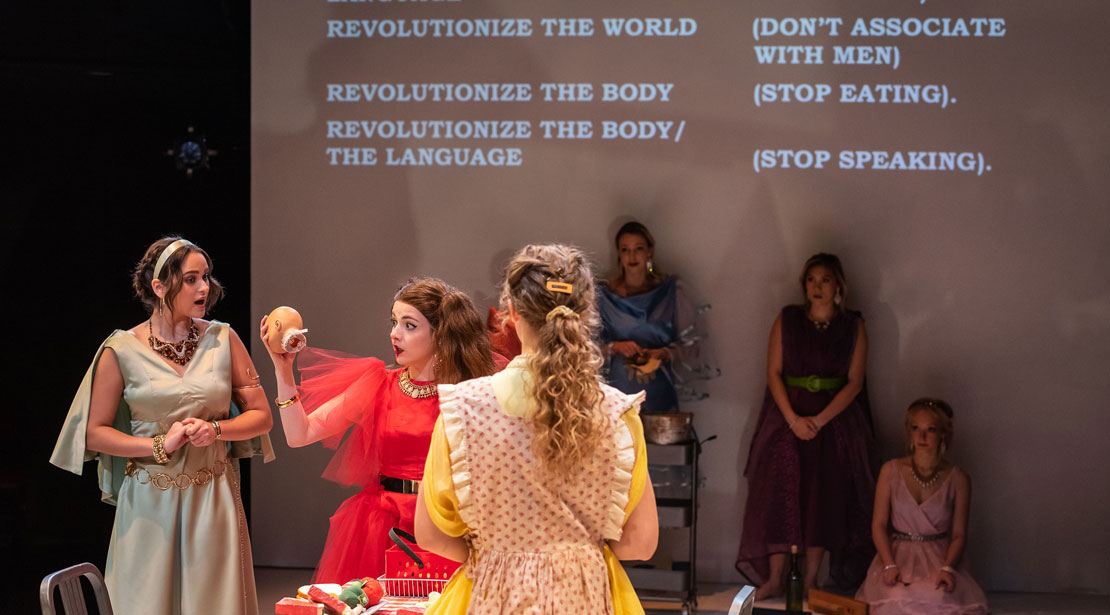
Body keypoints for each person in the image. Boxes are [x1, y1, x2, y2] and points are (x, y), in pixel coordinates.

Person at [415, 244, 659, 615]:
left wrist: (496, 554)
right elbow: (640, 544)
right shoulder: (616, 413)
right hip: (586, 597)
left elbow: (431, 535)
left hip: (491, 595)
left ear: (511, 312)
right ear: (585, 312)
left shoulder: (462, 409)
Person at [50, 237, 274, 615]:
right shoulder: (121, 349)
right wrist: (158, 445)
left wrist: (216, 430)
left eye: (205, 277)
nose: (204, 287)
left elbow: (261, 416)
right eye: (190, 279)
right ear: (159, 287)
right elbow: (95, 432)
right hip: (149, 501)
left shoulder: (223, 338)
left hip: (212, 496)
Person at [261, 278, 500, 583]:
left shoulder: (466, 392)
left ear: (441, 334)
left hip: (445, 521)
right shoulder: (378, 382)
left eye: (409, 325)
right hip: (382, 526)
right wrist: (283, 370)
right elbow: (300, 434)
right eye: (394, 322)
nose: (394, 334)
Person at [736, 253, 877, 597]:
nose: (817, 287)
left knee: (823, 497)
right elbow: (773, 373)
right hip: (787, 417)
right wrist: (794, 420)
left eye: (825, 280)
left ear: (838, 285)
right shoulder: (787, 319)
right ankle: (775, 577)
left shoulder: (854, 327)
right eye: (812, 280)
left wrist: (819, 421)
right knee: (778, 493)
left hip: (834, 423)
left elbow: (855, 382)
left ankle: (811, 579)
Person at [855, 399, 988, 614]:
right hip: (898, 554)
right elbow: (878, 524)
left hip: (938, 556)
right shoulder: (891, 470)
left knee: (940, 597)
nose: (922, 436)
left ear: (943, 434)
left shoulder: (958, 478)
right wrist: (889, 564)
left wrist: (948, 568)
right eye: (916, 428)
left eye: (931, 430)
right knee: (897, 597)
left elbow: (959, 534)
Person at [598, 221, 709, 414]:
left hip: (658, 393)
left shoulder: (670, 291)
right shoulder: (605, 296)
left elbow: (693, 346)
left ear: (649, 251)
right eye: (625, 250)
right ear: (618, 254)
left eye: (638, 249)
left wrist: (664, 353)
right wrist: (614, 347)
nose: (632, 256)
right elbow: (585, 347)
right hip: (617, 397)